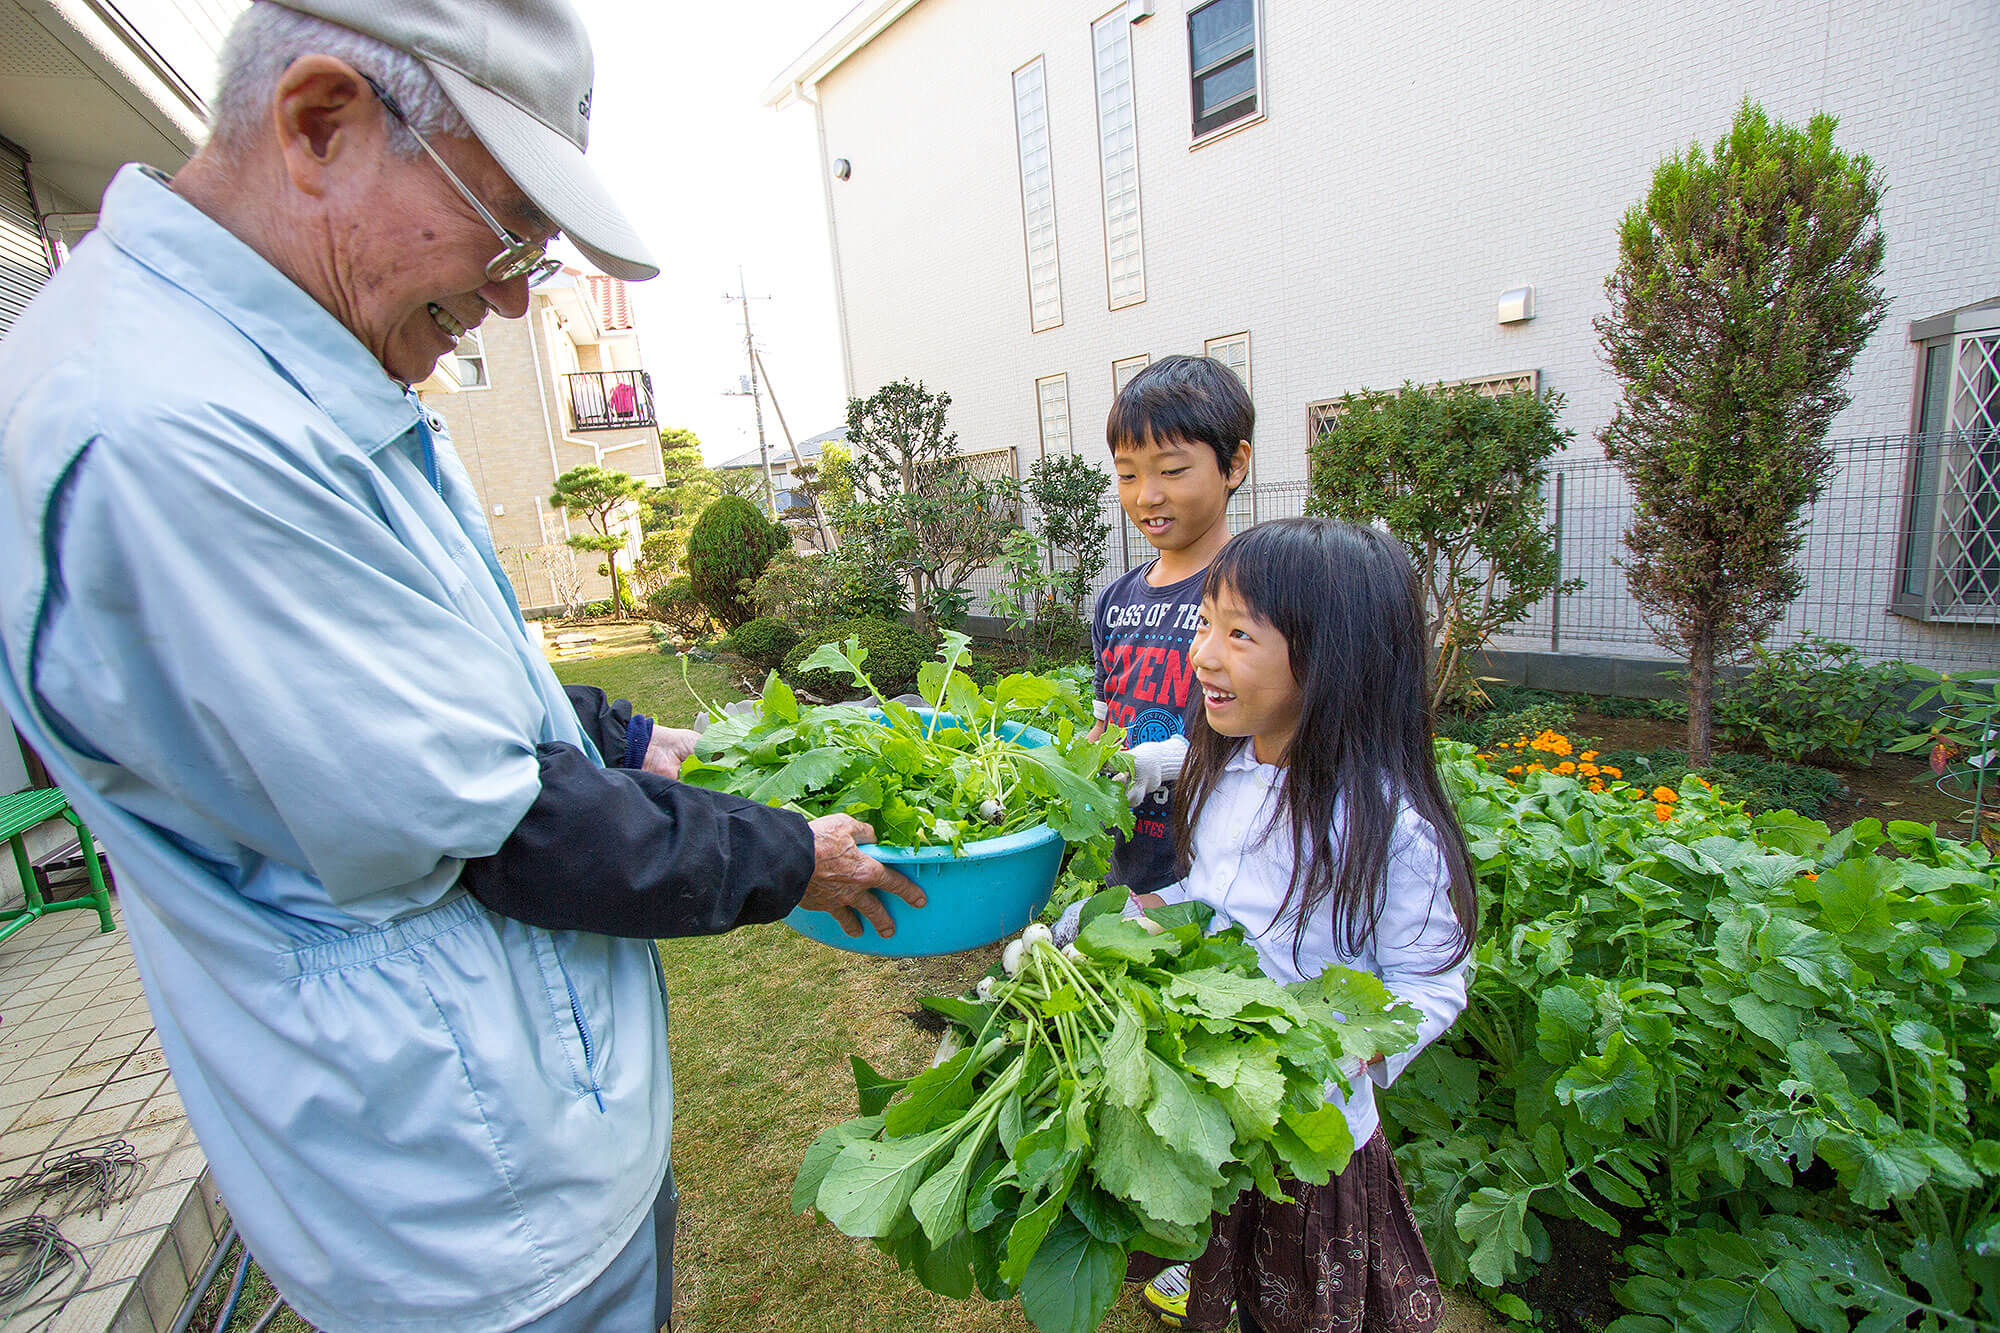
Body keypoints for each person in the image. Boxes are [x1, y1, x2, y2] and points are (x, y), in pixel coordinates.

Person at [0, 3, 920, 1329]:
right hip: (467, 1218)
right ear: (321, 123)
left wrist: (626, 737)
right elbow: (510, 829)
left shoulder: (287, 371)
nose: (504, 298)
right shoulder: (164, 435)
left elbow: (461, 679)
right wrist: (792, 855)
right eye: (506, 241)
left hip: (535, 1149)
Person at [1130, 518, 1478, 1332]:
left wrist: (1348, 1051)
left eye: (1239, 632)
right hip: (1217, 1096)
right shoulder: (1231, 764)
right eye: (1205, 624)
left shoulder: (1388, 825)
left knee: (1296, 1302)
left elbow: (1431, 981)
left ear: (1331, 659)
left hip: (1308, 1133)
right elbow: (1215, 897)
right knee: (1229, 1269)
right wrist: (1155, 917)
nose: (1204, 654)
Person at [1087, 354, 1254, 885]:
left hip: (1223, 874)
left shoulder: (1258, 592)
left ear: (1234, 465)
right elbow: (1104, 723)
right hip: (1130, 864)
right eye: (1127, 475)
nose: (1146, 495)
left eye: (1173, 470)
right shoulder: (1115, 599)